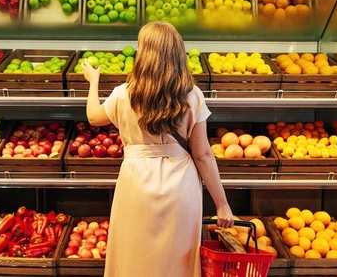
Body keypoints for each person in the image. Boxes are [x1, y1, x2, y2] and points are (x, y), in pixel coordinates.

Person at [81, 21, 234, 277]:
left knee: (134, 256)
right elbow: (203, 155)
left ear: (143, 54)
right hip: (181, 185)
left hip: (136, 182)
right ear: (177, 53)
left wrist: (93, 81)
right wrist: (222, 203)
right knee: (178, 260)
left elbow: (94, 118)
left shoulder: (124, 94)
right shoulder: (192, 95)